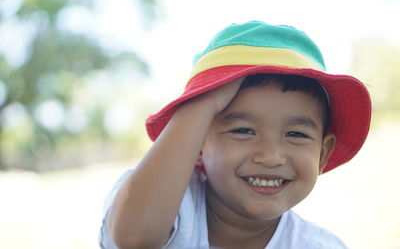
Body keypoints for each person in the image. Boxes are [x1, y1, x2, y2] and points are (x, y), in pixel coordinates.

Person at [99, 21, 371, 249]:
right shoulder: (170, 206)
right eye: (243, 130)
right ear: (196, 145)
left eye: (296, 134)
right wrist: (203, 103)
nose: (270, 156)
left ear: (322, 153)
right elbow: (134, 238)